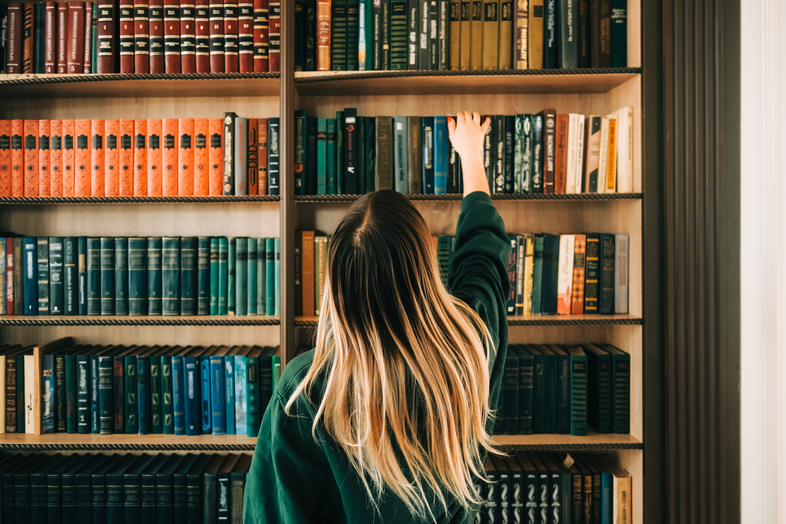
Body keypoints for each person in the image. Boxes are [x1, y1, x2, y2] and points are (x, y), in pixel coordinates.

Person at [243, 111, 511, 523]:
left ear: (335, 286)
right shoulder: (470, 347)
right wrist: (470, 154)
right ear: (424, 269)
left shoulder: (307, 393)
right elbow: (483, 251)